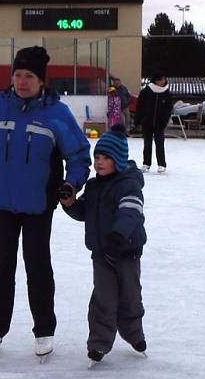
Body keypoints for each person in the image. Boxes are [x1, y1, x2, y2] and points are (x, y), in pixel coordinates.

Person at [0, 46, 92, 359]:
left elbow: (80, 154)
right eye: (17, 74)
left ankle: (44, 329)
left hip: (39, 204)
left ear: (41, 80)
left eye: (29, 76)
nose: (22, 81)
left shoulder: (56, 113)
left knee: (38, 266)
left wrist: (72, 184)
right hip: (1, 202)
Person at [60, 123, 147, 366]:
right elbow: (85, 211)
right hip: (101, 254)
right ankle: (99, 343)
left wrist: (118, 236)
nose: (99, 162)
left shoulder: (128, 184)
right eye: (97, 156)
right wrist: (70, 205)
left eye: (106, 157)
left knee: (130, 297)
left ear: (118, 160)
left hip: (126, 252)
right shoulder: (94, 185)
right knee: (103, 298)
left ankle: (133, 333)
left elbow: (131, 212)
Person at [134, 74, 172, 173]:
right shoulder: (145, 92)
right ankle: (146, 163)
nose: (163, 81)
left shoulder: (166, 93)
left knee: (160, 143)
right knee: (147, 143)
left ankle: (161, 164)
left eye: (164, 79)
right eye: (161, 79)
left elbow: (168, 109)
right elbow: (139, 107)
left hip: (160, 123)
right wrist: (138, 120)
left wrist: (164, 121)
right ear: (156, 81)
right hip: (147, 122)